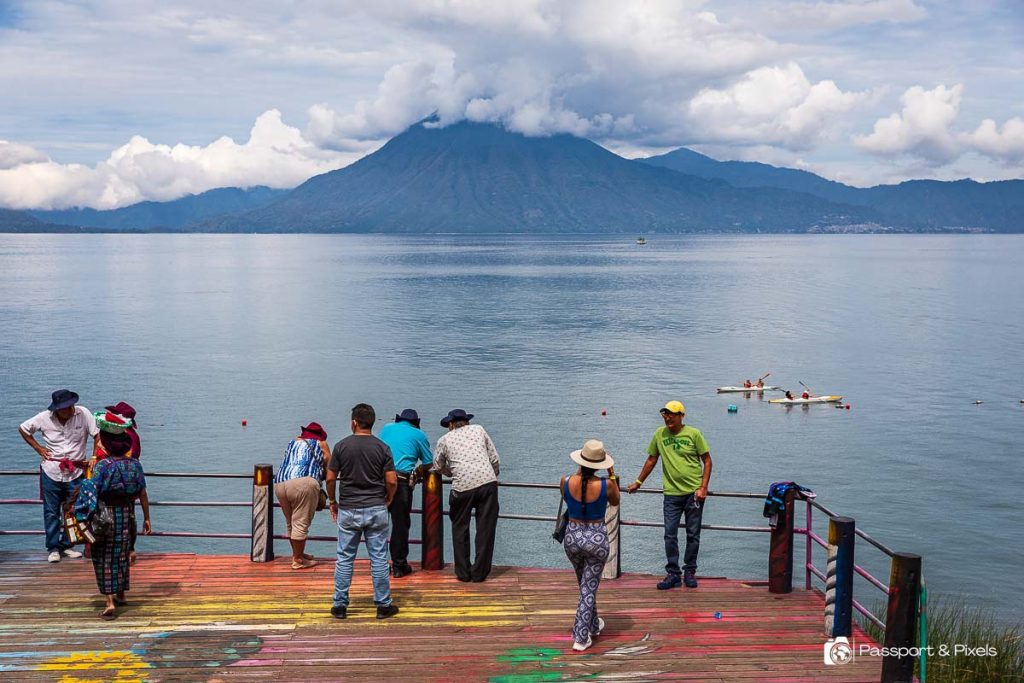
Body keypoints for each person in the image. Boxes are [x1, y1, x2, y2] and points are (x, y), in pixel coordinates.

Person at [626, 400, 712, 589]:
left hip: (694, 494)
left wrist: (703, 487)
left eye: (672, 414)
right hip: (671, 494)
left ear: (681, 415)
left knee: (693, 534)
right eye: (665, 414)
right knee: (669, 535)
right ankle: (673, 573)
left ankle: (690, 571)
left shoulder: (694, 434)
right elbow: (651, 460)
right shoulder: (659, 434)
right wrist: (638, 482)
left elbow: (707, 461)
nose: (667, 417)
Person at [326, 404, 399, 619]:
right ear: (372, 423)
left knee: (345, 558)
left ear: (354, 422)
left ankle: (340, 605)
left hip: (348, 508)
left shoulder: (341, 447)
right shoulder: (382, 448)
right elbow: (392, 481)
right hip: (376, 507)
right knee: (378, 558)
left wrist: (333, 501)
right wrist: (388, 498)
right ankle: (383, 605)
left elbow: (330, 478)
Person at [77, 429, 152, 620]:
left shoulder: (103, 466)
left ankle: (109, 601)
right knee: (122, 553)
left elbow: (92, 489)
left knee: (104, 555)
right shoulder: (135, 464)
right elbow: (142, 492)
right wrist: (147, 517)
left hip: (105, 515)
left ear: (109, 446)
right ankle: (121, 594)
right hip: (127, 513)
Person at [18, 389, 99, 563]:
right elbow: (23, 429)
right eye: (64, 407)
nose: (69, 410)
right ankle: (53, 548)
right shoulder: (43, 417)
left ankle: (67, 544)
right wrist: (38, 448)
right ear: (56, 409)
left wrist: (94, 456)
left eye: (71, 406)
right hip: (51, 471)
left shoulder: (83, 413)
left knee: (75, 511)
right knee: (51, 512)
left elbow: (97, 434)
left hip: (76, 471)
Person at [560, 440, 620, 651]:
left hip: (572, 538)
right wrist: (611, 475)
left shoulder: (565, 481)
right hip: (596, 540)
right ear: (600, 464)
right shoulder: (606, 485)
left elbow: (568, 499)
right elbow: (615, 501)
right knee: (588, 587)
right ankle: (581, 636)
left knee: (586, 585)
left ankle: (593, 624)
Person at [433, 409, 501, 582]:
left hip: (462, 487)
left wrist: (451, 472)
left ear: (450, 425)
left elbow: (437, 465)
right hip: (487, 483)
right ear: (467, 422)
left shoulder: (444, 439)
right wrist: (491, 475)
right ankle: (479, 573)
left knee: (459, 527)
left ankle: (463, 573)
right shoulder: (479, 429)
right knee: (485, 529)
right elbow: (494, 458)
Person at [379, 408, 433, 578]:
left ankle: (379, 565)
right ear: (416, 423)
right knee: (400, 525)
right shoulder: (419, 435)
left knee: (378, 525)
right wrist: (417, 472)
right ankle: (399, 566)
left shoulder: (386, 428)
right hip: (401, 481)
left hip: (379, 479)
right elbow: (429, 463)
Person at [274, 422, 331, 570]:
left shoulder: (292, 442)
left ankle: (298, 553)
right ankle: (298, 560)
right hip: (303, 482)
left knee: (291, 521)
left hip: (281, 482)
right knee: (301, 522)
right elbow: (329, 465)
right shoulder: (321, 443)